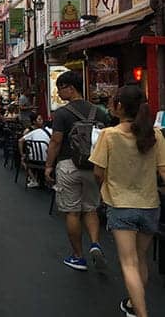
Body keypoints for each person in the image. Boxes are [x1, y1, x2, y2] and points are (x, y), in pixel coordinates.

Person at [90, 85, 165, 317]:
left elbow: (98, 172)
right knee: (141, 259)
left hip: (121, 205)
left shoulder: (109, 135)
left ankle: (141, 313)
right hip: (150, 205)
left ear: (119, 106)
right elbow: (163, 171)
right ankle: (133, 305)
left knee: (129, 263)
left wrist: (104, 187)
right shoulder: (155, 135)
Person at [44, 70, 109, 271]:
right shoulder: (99, 112)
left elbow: (56, 141)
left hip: (68, 165)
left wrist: (48, 166)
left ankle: (78, 256)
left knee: (72, 212)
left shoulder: (62, 113)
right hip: (92, 165)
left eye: (60, 88)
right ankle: (96, 243)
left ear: (70, 88)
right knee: (90, 208)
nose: (59, 93)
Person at [19, 112, 52, 188]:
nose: (42, 121)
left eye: (42, 119)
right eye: (39, 119)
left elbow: (21, 141)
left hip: (34, 156)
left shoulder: (37, 131)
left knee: (25, 160)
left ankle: (34, 179)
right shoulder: (30, 131)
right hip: (42, 156)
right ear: (34, 121)